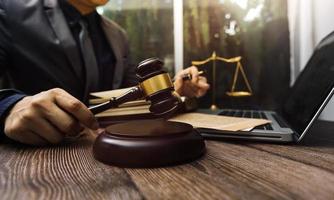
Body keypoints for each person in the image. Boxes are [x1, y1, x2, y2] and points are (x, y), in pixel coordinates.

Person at [0, 0, 209, 145]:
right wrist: (9, 108)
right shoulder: (9, 11)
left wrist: (172, 88)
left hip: (109, 155)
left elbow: (134, 93)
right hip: (38, 160)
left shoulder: (117, 35)